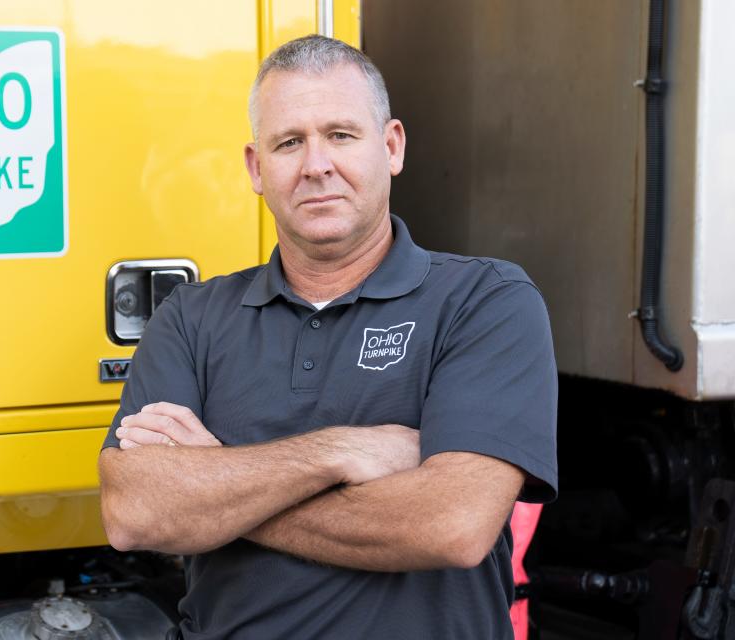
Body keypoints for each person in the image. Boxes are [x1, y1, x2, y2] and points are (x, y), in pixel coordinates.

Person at [99, 35, 557, 639]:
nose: (316, 165)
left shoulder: (486, 301)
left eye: (341, 135)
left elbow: (452, 524)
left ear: (391, 147)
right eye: (289, 142)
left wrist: (218, 481)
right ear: (257, 169)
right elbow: (135, 512)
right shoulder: (191, 317)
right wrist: (342, 451)